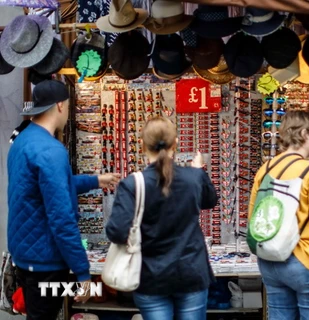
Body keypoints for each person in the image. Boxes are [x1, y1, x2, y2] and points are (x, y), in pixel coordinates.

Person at [7, 80, 120, 320]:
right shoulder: (51, 150)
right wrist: (83, 273)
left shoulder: (22, 142)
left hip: (26, 254)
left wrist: (95, 180)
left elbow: (43, 189)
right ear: (60, 105)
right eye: (67, 106)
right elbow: (62, 218)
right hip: (46, 262)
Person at [106, 117, 218, 320]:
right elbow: (210, 201)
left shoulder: (133, 184)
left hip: (151, 276)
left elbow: (117, 231)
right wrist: (199, 170)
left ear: (142, 145)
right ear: (175, 143)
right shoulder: (194, 178)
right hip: (191, 272)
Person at [248, 110, 309, 319]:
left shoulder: (265, 170)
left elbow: (253, 217)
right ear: (304, 133)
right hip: (307, 262)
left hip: (270, 261)